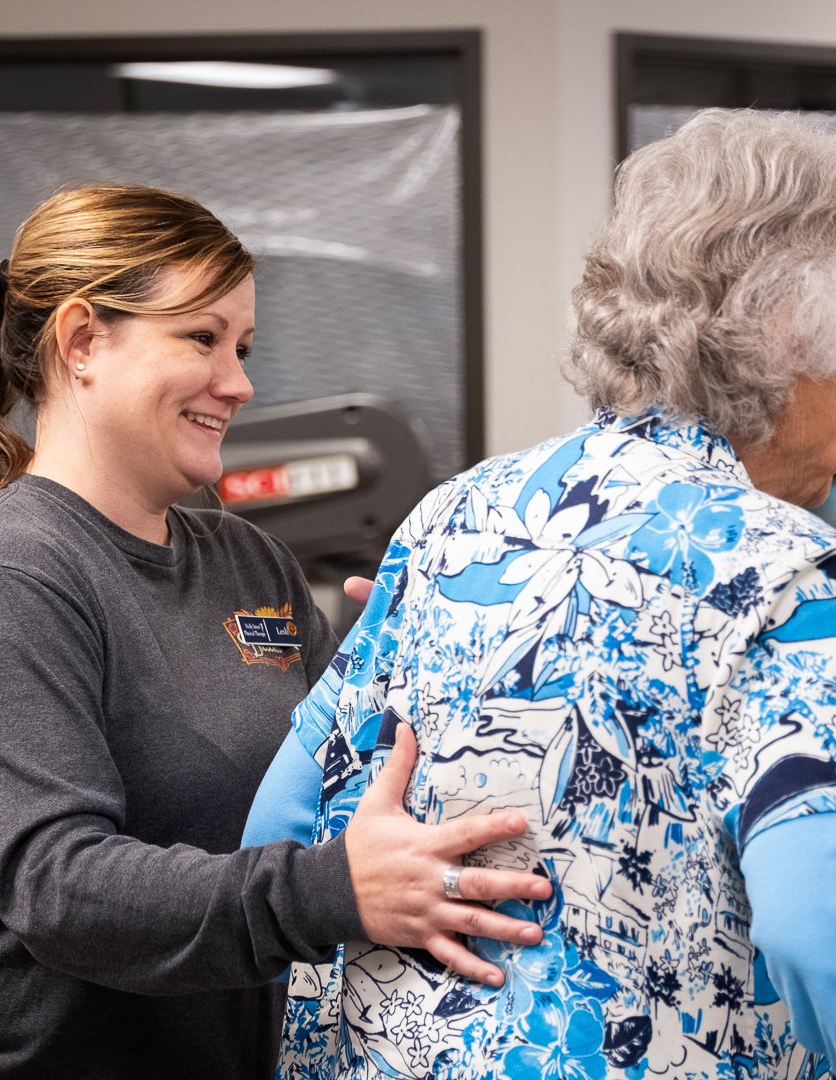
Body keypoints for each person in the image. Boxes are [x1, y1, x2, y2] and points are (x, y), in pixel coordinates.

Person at [0, 183, 552, 1080]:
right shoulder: (2, 577)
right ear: (82, 342)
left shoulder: (252, 566)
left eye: (241, 346)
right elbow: (60, 887)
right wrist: (331, 894)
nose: (237, 382)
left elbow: (343, 798)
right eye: (201, 338)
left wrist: (427, 666)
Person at [246, 109, 836, 1078]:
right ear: (788, 333)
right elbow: (816, 922)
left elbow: (280, 826)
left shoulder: (454, 516)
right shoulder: (780, 569)